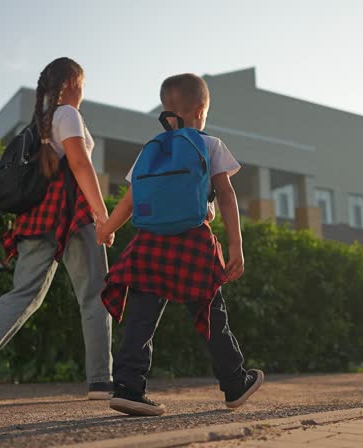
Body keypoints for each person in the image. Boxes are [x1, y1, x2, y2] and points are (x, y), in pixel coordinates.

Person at [0, 57, 113, 404]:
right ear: (70, 85)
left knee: (23, 294)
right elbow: (80, 164)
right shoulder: (68, 114)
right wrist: (102, 214)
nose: (83, 90)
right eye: (82, 83)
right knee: (95, 295)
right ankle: (101, 382)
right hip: (72, 214)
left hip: (37, 216)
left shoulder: (43, 121)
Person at [96, 73, 263, 416]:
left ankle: (127, 386)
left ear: (165, 109)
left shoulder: (151, 150)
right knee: (211, 313)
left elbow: (129, 200)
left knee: (141, 316)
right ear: (201, 110)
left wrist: (107, 229)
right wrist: (236, 247)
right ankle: (234, 383)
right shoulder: (209, 144)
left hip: (149, 244)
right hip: (192, 243)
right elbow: (227, 196)